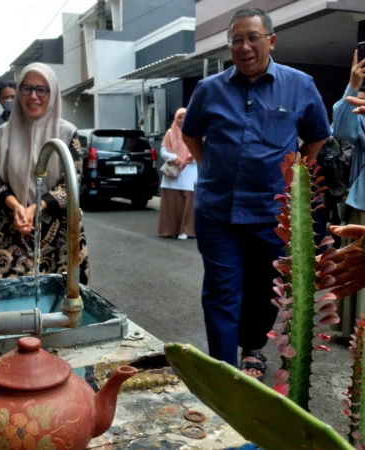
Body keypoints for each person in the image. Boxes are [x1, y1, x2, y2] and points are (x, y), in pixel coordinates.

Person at [181, 8, 330, 380]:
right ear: (229, 45)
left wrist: (297, 177)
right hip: (218, 211)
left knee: (265, 289)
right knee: (221, 291)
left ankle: (252, 349)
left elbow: (317, 135)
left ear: (271, 41)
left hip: (272, 211)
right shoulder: (209, 89)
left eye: (253, 38)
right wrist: (210, 168)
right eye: (236, 40)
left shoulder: (300, 84)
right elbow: (191, 134)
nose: (244, 47)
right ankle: (223, 370)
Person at [0, 62, 90, 284]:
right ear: (19, 92)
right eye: (27, 88)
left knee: (62, 304)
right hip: (14, 229)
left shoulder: (67, 134)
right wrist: (18, 208)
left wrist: (34, 208)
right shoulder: (2, 136)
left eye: (41, 89)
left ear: (52, 93)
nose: (33, 96)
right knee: (10, 303)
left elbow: (70, 186)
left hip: (60, 235)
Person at [331, 51, 365, 334]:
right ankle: (357, 327)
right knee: (358, 257)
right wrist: (352, 85)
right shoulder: (361, 109)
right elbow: (341, 130)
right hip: (362, 201)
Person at [158, 108, 197, 240]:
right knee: (172, 201)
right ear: (175, 118)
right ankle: (170, 229)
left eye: (185, 116)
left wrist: (193, 157)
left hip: (189, 170)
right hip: (174, 170)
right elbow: (163, 151)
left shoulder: (194, 132)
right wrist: (173, 157)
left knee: (187, 200)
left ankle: (186, 230)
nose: (183, 120)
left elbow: (201, 150)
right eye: (180, 117)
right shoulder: (170, 132)